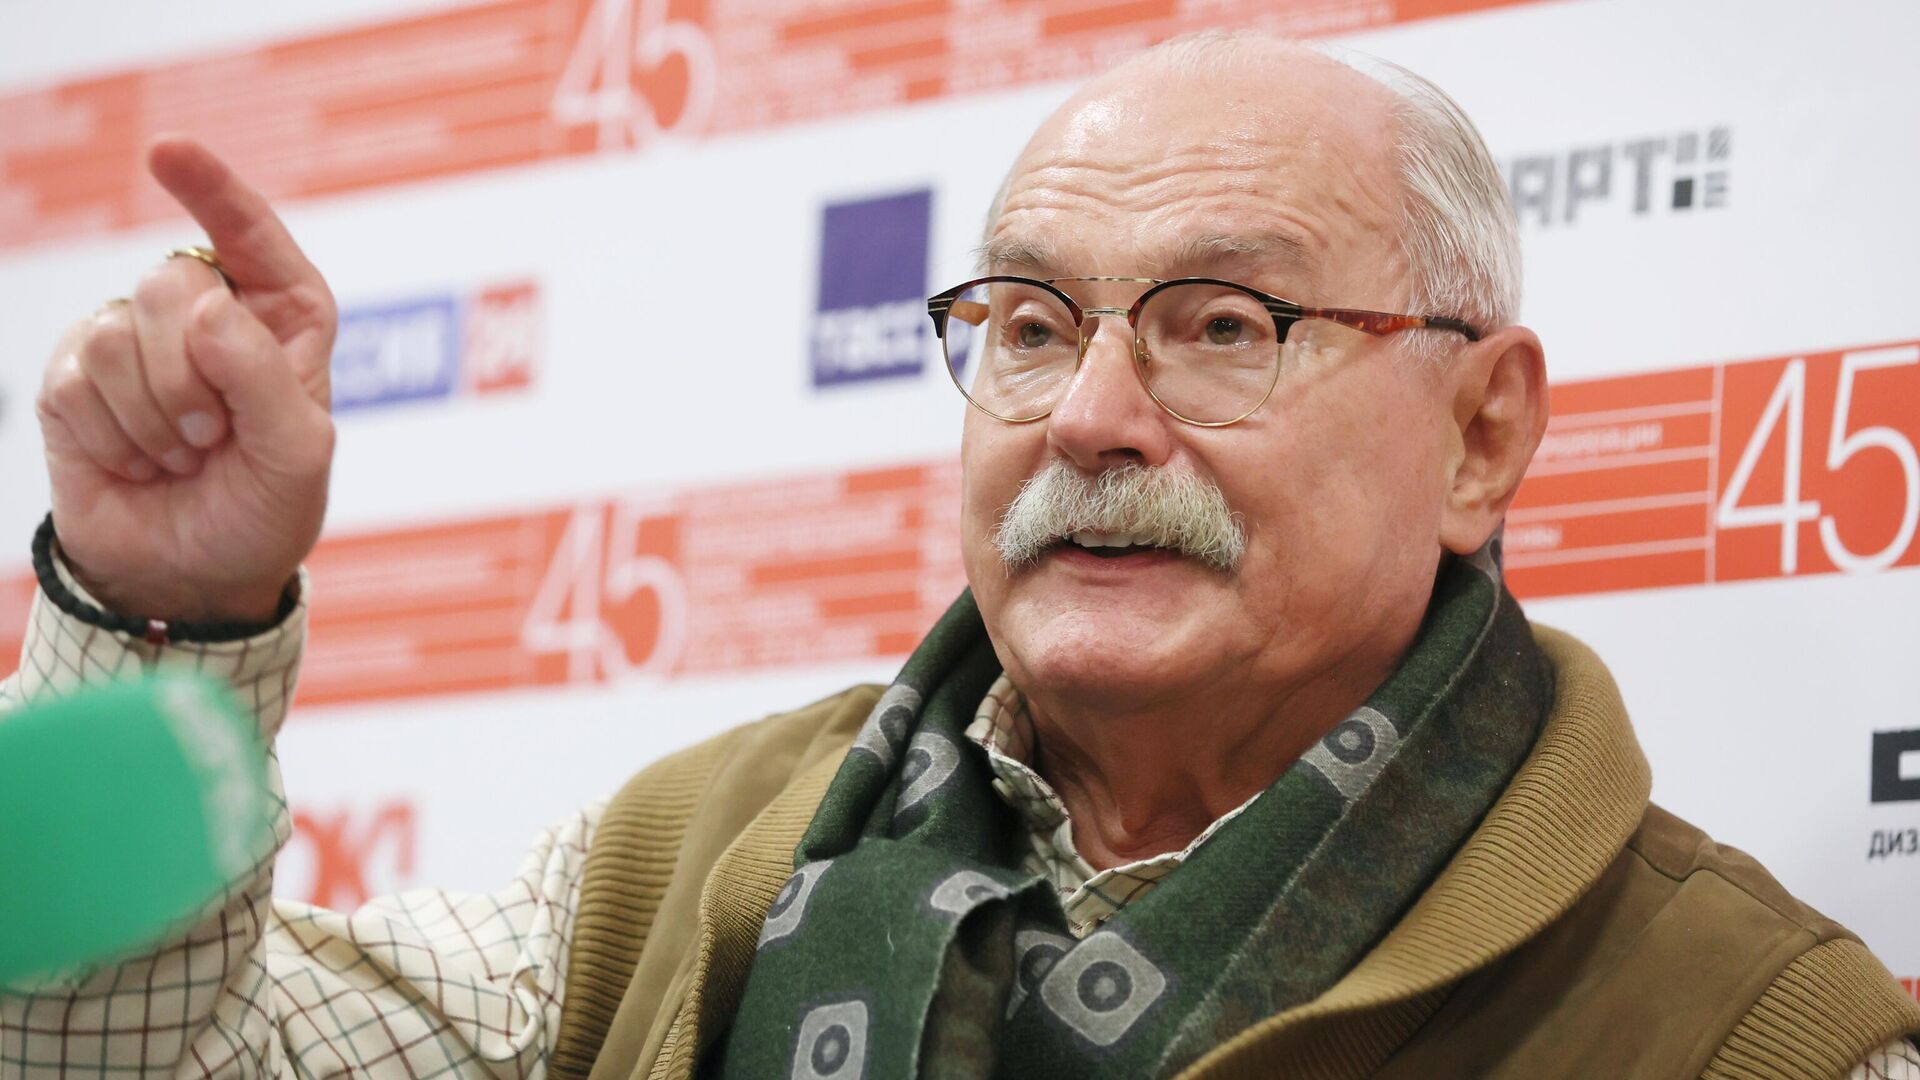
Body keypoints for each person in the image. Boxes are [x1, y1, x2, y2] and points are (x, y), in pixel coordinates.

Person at [2, 30, 1916, 1080]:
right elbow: (143, 1059)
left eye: (1223, 324)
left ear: (1481, 434)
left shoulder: (1746, 1029)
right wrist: (170, 606)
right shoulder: (686, 865)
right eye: (1027, 323)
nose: (1090, 414)